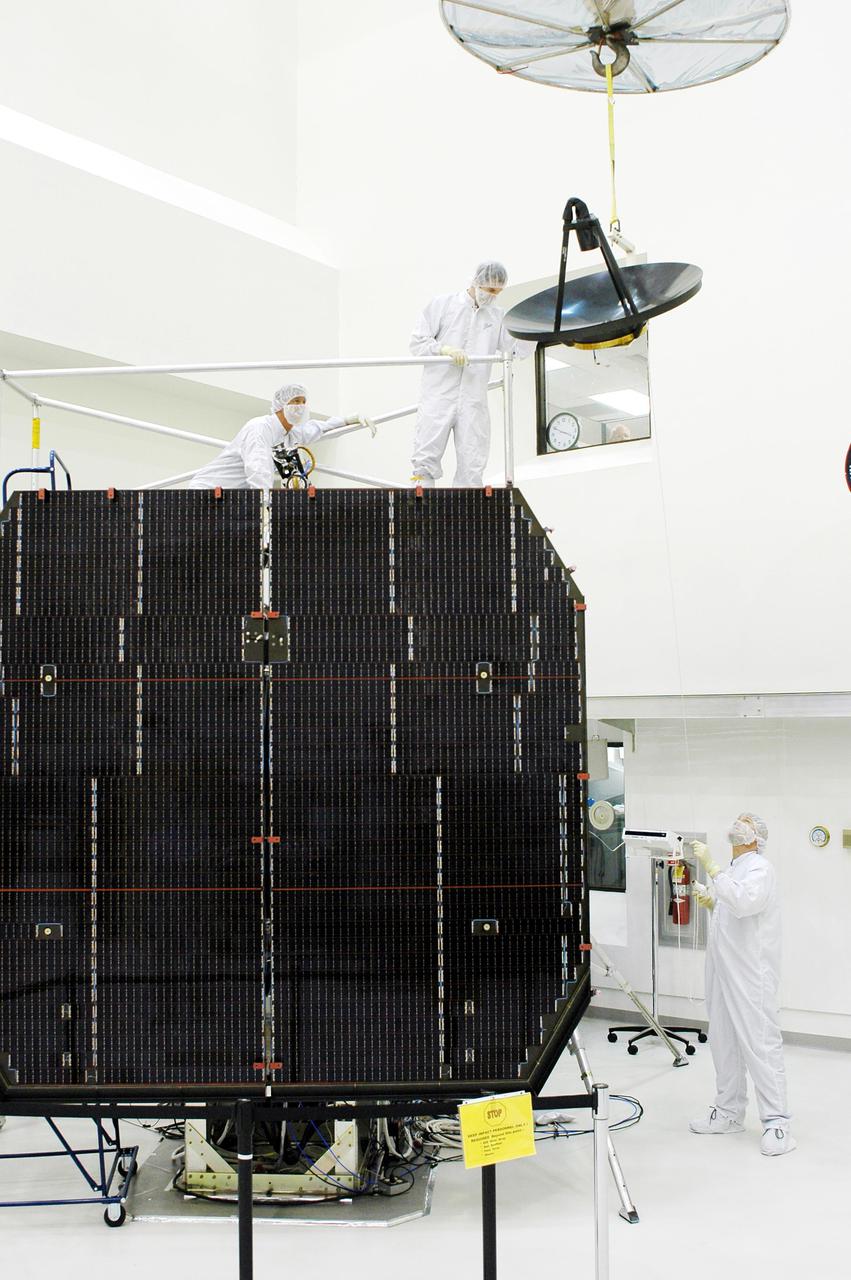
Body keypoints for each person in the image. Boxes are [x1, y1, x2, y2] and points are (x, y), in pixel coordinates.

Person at [690, 814, 794, 1156]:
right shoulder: (736, 868)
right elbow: (732, 910)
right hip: (724, 970)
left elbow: (746, 902)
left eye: (745, 822)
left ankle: (777, 1123)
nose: (737, 823)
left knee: (760, 1043)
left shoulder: (760, 868)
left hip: (750, 974)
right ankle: (729, 1112)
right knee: (723, 1042)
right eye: (737, 819)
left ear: (756, 836)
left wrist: (712, 868)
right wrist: (712, 903)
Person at [409, 262, 535, 488]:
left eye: (498, 291)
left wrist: (535, 329)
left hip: (473, 399)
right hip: (439, 394)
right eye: (490, 289)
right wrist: (443, 350)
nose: (493, 295)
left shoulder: (497, 317)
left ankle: (467, 509)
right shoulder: (443, 305)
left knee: (472, 461)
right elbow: (418, 343)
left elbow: (516, 350)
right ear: (476, 282)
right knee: (426, 456)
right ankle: (421, 504)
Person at [188, 384, 374, 490]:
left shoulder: (289, 435)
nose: (301, 407)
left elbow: (319, 428)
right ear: (280, 405)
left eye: (303, 402)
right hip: (206, 492)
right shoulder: (260, 428)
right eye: (295, 401)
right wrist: (265, 506)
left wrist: (350, 420)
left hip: (229, 497)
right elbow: (258, 470)